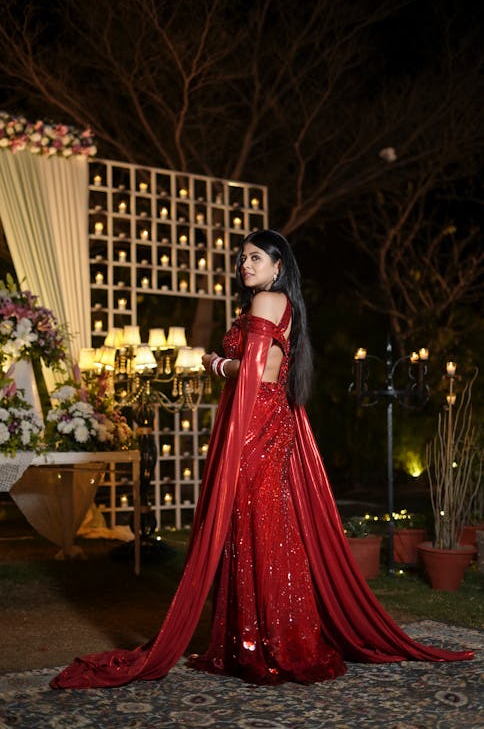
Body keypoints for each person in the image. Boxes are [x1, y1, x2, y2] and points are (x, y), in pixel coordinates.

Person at [50, 230, 473, 690]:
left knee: (258, 526)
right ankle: (257, 639)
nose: (244, 265)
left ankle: (270, 643)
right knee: (261, 527)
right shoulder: (278, 305)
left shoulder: (267, 301)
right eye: (241, 259)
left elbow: (252, 371)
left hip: (256, 428)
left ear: (278, 265)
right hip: (267, 423)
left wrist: (214, 364)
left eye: (255, 257)